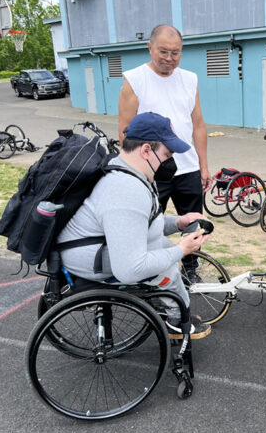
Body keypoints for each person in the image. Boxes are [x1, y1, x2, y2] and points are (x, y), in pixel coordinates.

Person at [57, 112, 211, 339]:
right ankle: (177, 321)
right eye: (167, 154)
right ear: (146, 150)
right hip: (88, 259)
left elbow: (142, 223)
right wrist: (182, 250)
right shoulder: (127, 190)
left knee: (162, 245)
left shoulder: (130, 171)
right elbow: (130, 269)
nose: (171, 162)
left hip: (90, 246)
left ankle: (171, 307)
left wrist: (179, 222)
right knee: (166, 264)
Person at [118, 24, 210, 280]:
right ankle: (150, 270)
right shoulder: (135, 80)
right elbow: (125, 131)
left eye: (175, 53)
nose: (169, 59)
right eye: (163, 52)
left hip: (188, 168)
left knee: (193, 222)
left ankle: (191, 269)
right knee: (149, 224)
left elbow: (198, 125)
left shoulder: (190, 79)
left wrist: (203, 166)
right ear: (150, 48)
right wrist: (133, 174)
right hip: (153, 170)